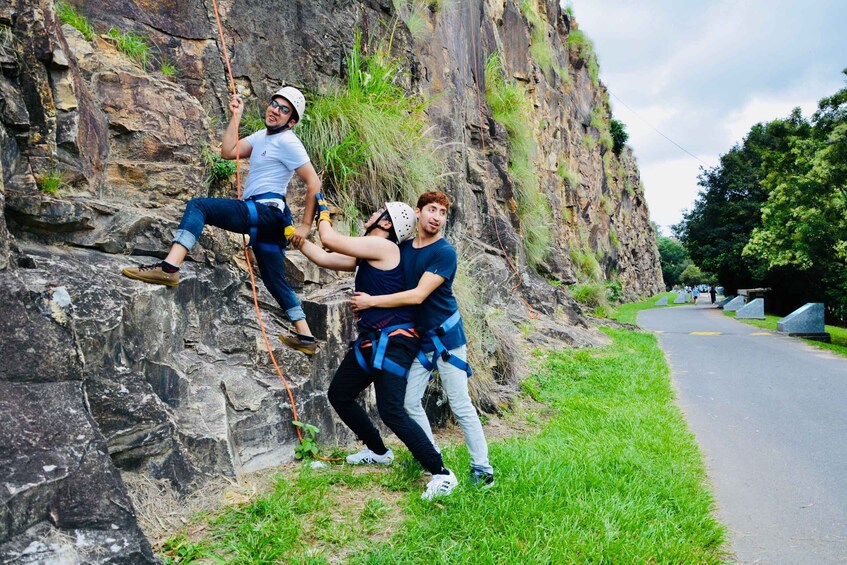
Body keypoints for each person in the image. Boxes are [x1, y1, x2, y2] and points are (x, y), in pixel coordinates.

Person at [121, 87, 319, 355]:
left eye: (285, 110)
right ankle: (306, 337)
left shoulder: (288, 141)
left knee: (199, 205)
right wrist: (235, 117)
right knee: (274, 279)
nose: (275, 110)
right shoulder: (263, 137)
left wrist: (306, 226)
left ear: (292, 121)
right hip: (269, 218)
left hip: (267, 211)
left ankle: (169, 268)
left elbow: (313, 182)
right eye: (275, 104)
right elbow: (229, 152)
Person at [294, 194, 458, 500]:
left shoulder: (383, 247)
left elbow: (328, 239)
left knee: (392, 411)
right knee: (339, 394)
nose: (371, 214)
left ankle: (441, 472)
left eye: (377, 212)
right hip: (372, 340)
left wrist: (322, 210)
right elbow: (324, 256)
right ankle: (378, 450)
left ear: (386, 221)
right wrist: (296, 238)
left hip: (394, 342)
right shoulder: (369, 254)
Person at [350, 191, 494, 488]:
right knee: (408, 401)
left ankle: (483, 468)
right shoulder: (404, 249)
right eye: (431, 209)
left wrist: (371, 302)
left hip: (447, 341)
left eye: (442, 212)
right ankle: (429, 455)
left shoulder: (444, 253)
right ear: (417, 212)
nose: (436, 217)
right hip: (420, 340)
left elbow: (417, 295)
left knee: (460, 404)